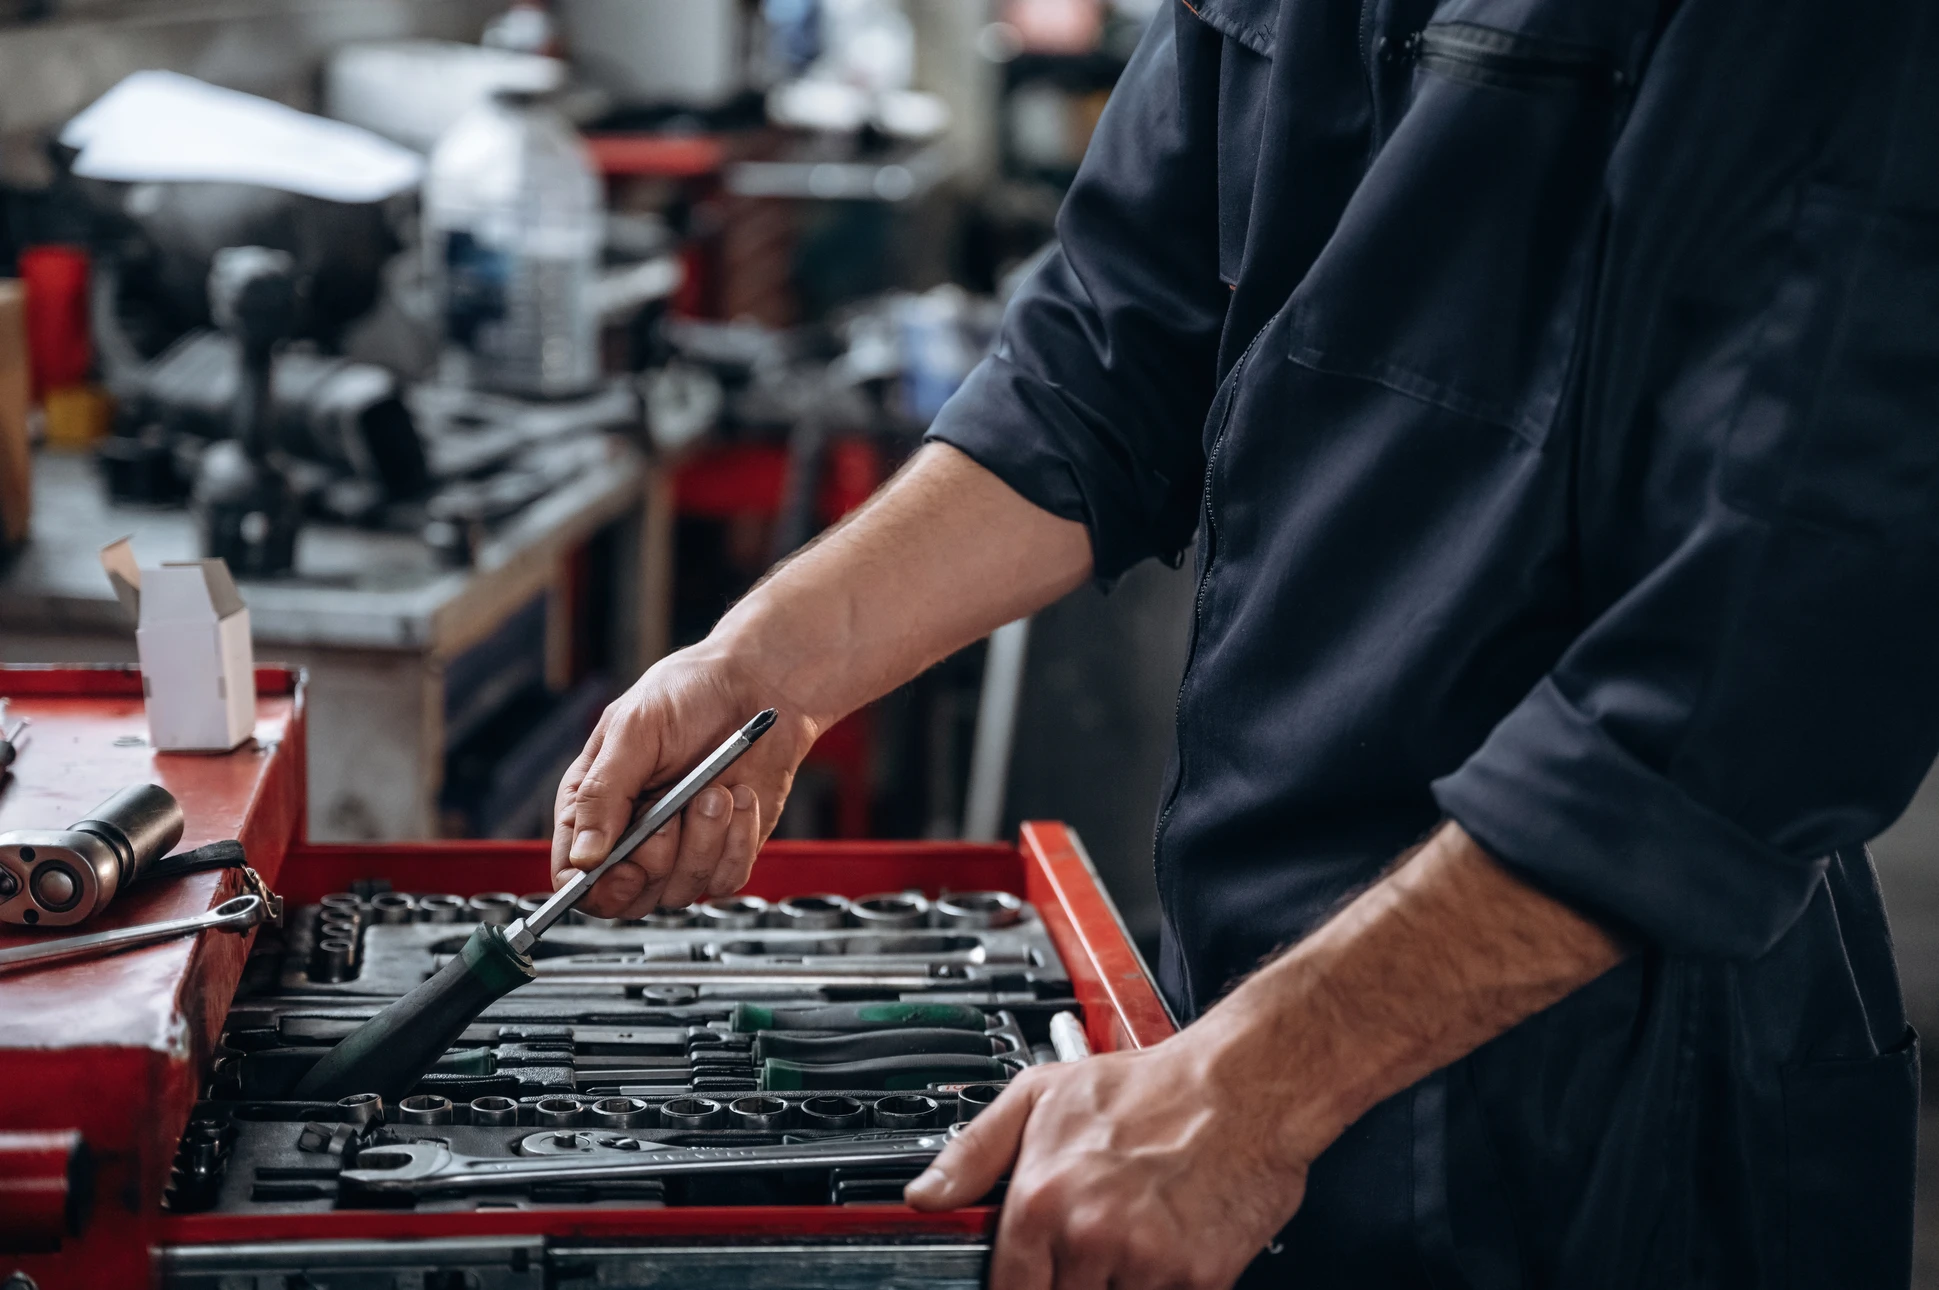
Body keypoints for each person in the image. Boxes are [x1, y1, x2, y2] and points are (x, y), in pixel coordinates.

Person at [552, 0, 1939, 1284]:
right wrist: (769, 665)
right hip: (1245, 997)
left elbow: (1776, 649)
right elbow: (1114, 344)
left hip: (1617, 1088)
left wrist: (1251, 1089)